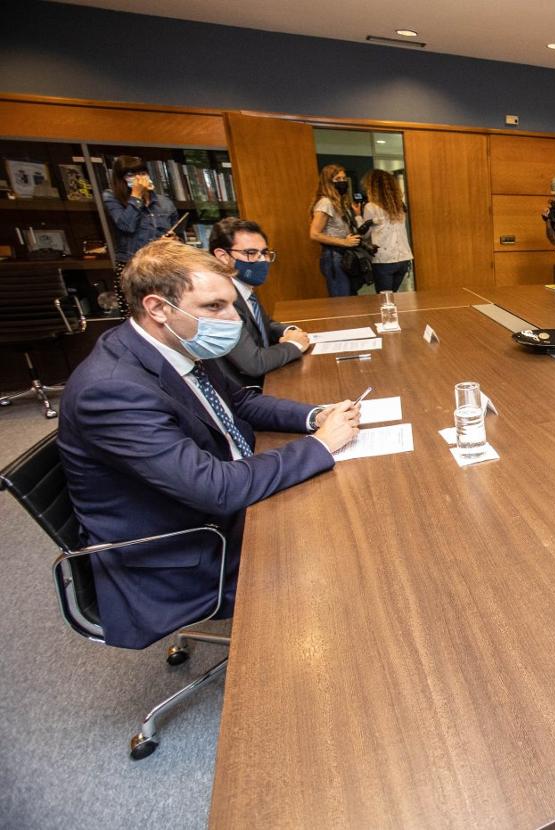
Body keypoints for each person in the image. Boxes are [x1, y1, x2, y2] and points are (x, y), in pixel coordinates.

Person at [57, 239, 360, 650]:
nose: (232, 319)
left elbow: (240, 401)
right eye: (214, 307)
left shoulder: (174, 343)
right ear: (158, 308)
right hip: (182, 553)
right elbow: (215, 489)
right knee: (352, 554)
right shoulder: (112, 391)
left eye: (231, 305)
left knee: (349, 511)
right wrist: (320, 446)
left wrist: (313, 417)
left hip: (213, 508)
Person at [208, 217, 310, 388]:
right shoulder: (220, 301)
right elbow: (254, 363)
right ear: (223, 256)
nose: (262, 260)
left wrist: (289, 330)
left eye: (264, 253)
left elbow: (265, 324)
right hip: (246, 392)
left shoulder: (243, 288)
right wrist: (295, 344)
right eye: (251, 253)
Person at [101, 155, 181, 316]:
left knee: (167, 311)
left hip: (162, 264)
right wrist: (136, 197)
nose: (139, 179)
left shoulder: (164, 202)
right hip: (132, 266)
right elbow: (126, 226)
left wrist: (173, 239)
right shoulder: (112, 197)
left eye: (142, 173)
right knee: (137, 314)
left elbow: (176, 231)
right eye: (131, 175)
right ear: (121, 179)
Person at [308, 163, 363, 297]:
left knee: (351, 298)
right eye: (337, 179)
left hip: (345, 256)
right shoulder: (325, 202)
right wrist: (345, 242)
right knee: (342, 301)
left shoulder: (340, 202)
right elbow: (314, 234)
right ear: (328, 182)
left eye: (344, 178)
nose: (342, 182)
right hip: (334, 256)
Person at [361, 169, 413, 293]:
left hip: (384, 260)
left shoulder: (371, 207)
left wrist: (358, 217)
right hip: (403, 259)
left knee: (385, 299)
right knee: (392, 296)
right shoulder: (399, 206)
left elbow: (365, 234)